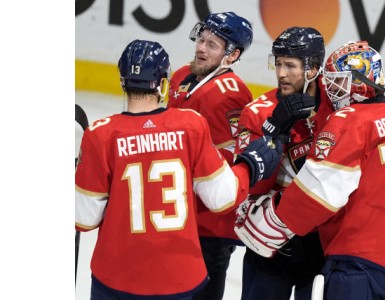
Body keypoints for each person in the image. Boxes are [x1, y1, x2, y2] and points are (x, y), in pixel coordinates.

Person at [234, 40, 385, 300]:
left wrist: (269, 223)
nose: (332, 88)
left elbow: (317, 197)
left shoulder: (349, 121)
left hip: (360, 261)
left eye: (338, 81)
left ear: (360, 82)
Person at [75, 39, 284, 299]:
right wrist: (249, 166)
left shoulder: (100, 134)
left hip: (118, 276)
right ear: (163, 83)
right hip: (179, 275)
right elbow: (222, 199)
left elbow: (83, 219)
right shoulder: (190, 125)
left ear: (122, 81)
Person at [233, 27, 334, 300]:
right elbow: (253, 186)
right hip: (269, 237)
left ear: (313, 69)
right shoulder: (258, 113)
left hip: (321, 240)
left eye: (290, 65)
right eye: (277, 63)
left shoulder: (336, 105)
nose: (281, 73)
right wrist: (274, 132)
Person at [166, 12, 254, 300]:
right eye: (201, 39)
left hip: (209, 222)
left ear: (232, 55)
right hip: (181, 211)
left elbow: (226, 159)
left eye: (212, 45)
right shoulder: (183, 75)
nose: (201, 48)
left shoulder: (229, 94)